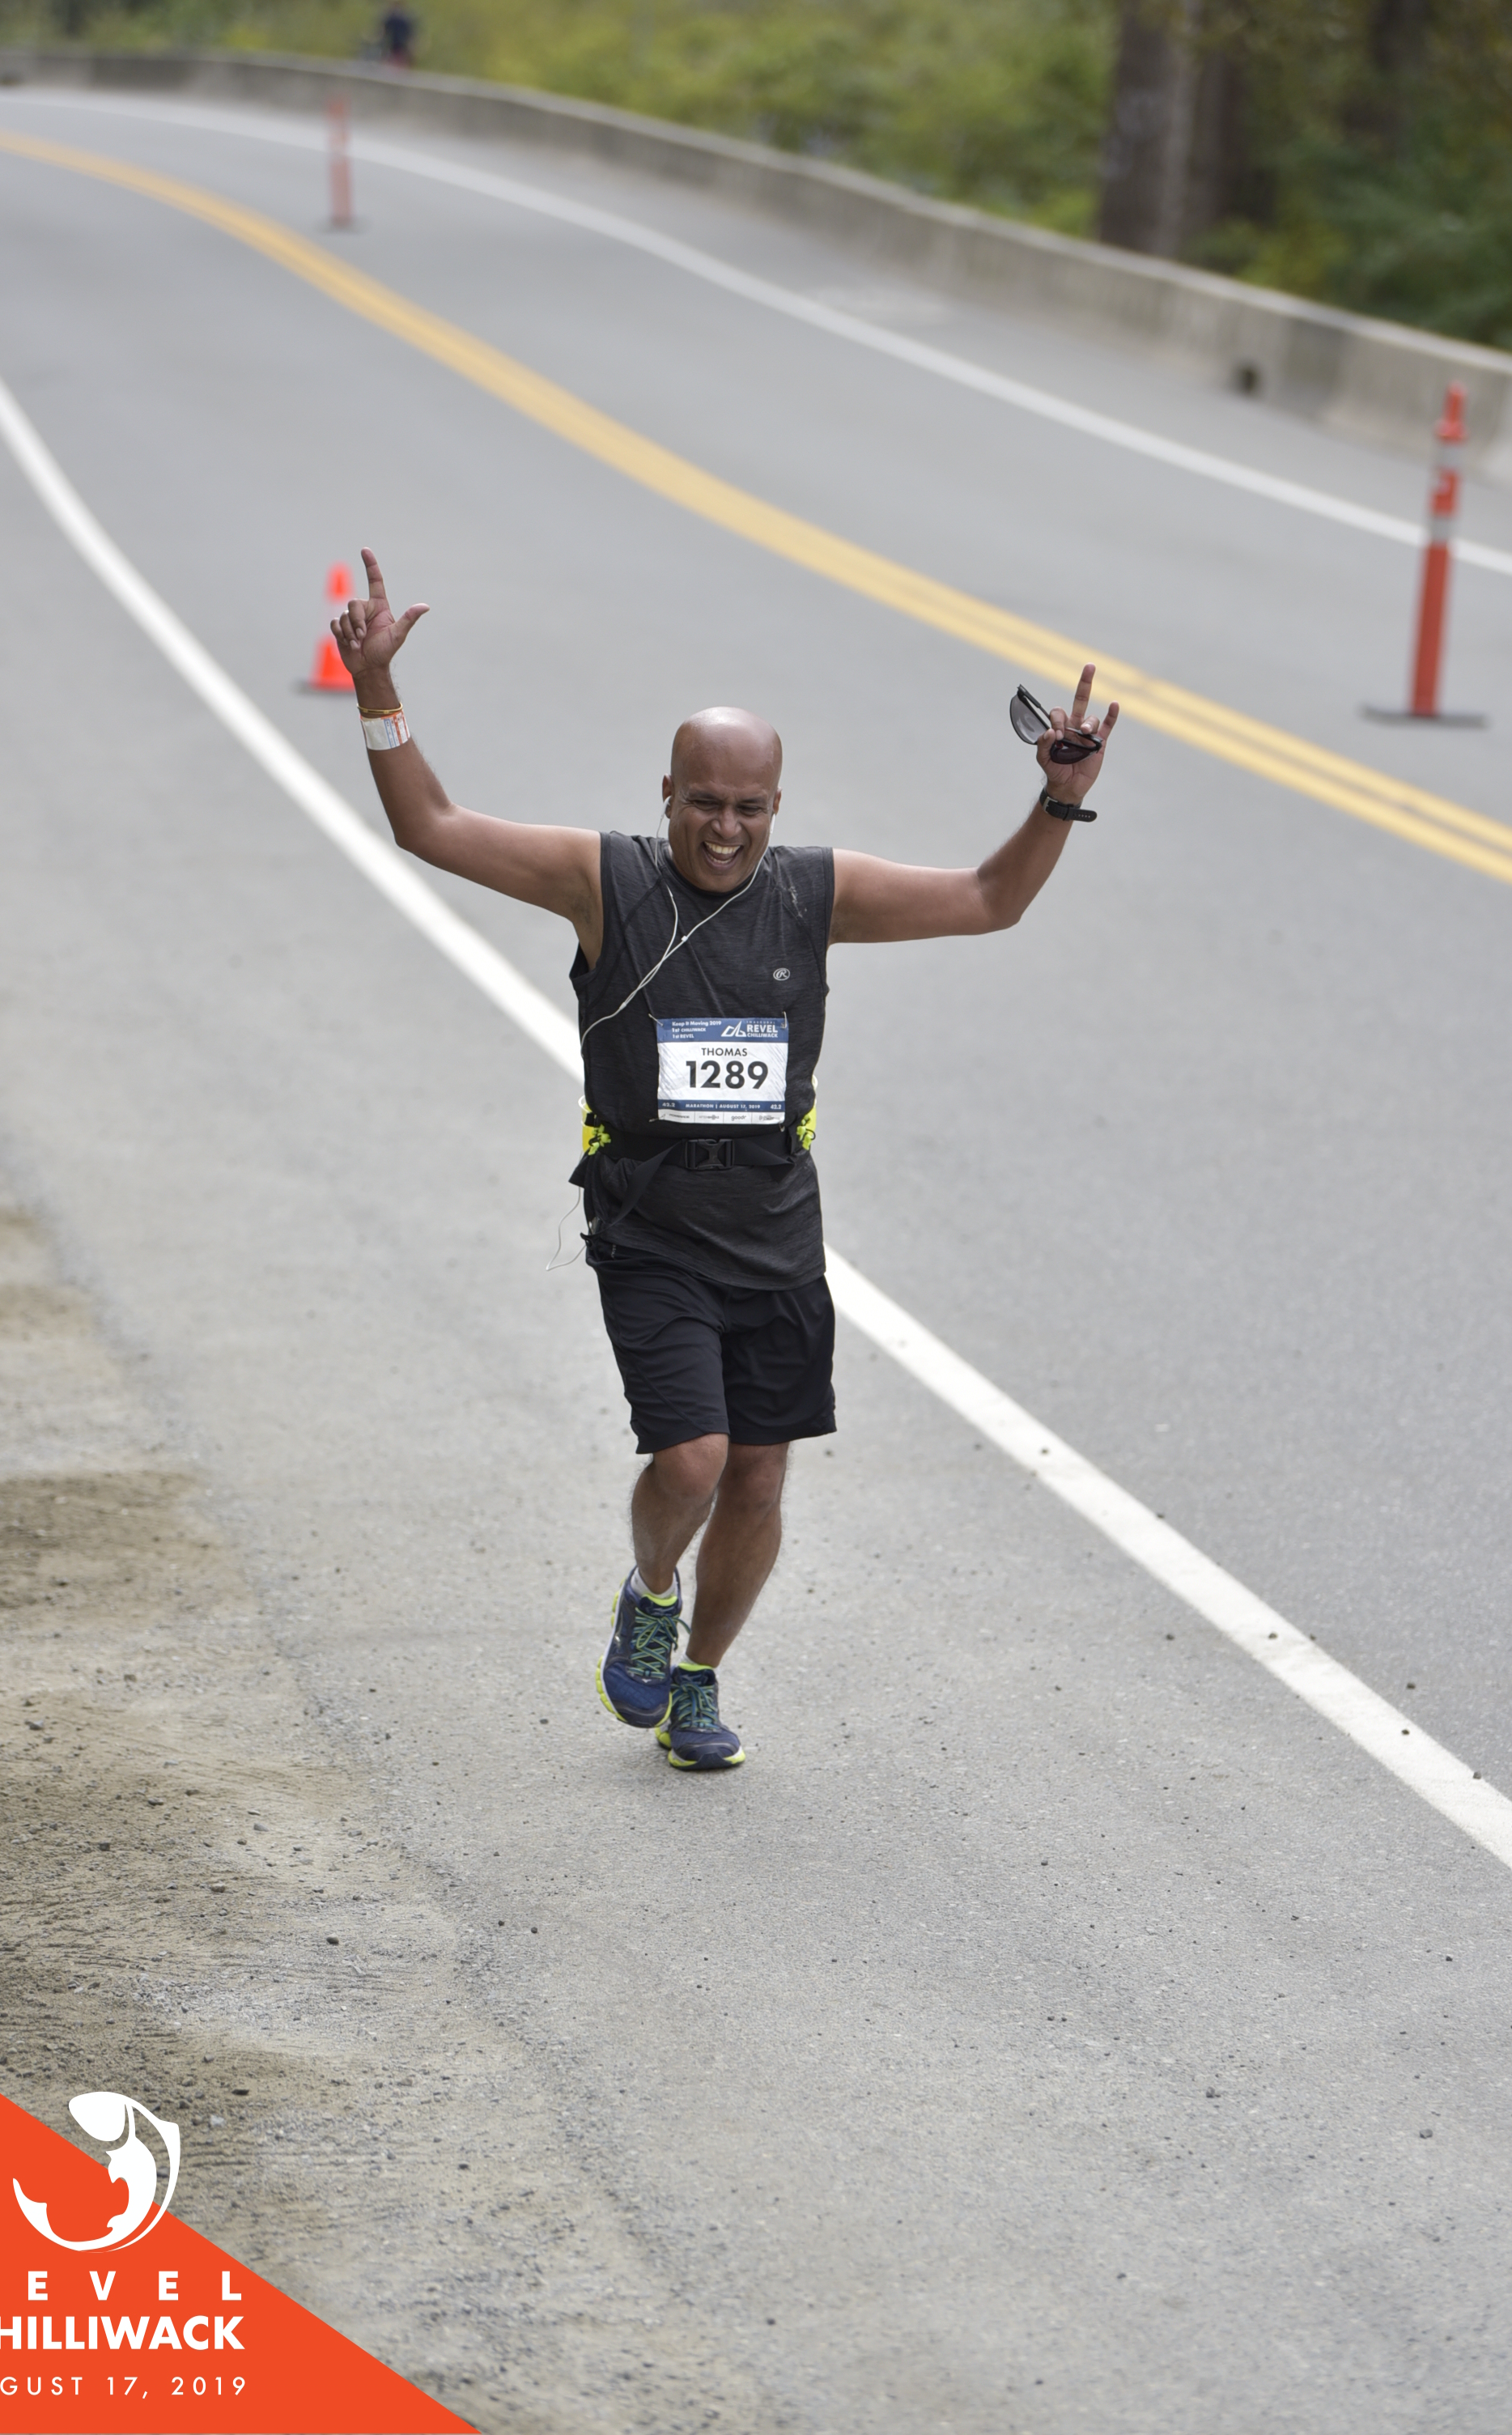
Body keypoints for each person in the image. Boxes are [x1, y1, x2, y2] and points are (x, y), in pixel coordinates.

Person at [331, 549, 1116, 1772]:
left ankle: (696, 1679)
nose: (726, 828)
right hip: (649, 1223)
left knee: (756, 1482)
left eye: (751, 809)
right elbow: (430, 827)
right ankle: (651, 1593)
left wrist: (1058, 800)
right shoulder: (606, 881)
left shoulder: (813, 894)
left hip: (776, 1232)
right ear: (668, 793)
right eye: (705, 802)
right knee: (693, 1458)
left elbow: (987, 899)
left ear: (777, 809)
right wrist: (376, 688)